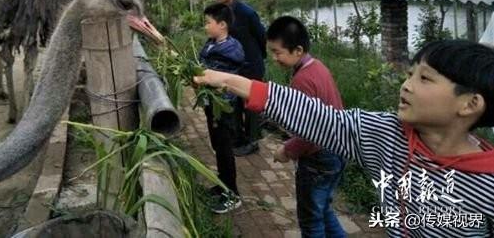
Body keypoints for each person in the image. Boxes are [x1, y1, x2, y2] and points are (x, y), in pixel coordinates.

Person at [194, 39, 494, 237]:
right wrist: (229, 81)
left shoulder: (487, 182)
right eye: (410, 75)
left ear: (469, 104)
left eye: (424, 78)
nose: (406, 86)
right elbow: (320, 119)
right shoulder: (388, 136)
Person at [265, 16, 346, 237]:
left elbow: (309, 132)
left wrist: (287, 150)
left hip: (318, 159)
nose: (274, 58)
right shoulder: (317, 67)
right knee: (323, 209)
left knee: (310, 220)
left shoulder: (302, 80)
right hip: (337, 151)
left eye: (277, 52)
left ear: (298, 50)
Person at [199, 2, 245, 213]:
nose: (205, 26)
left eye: (208, 23)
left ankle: (232, 194)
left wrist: (199, 74)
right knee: (218, 146)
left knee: (225, 149)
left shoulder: (230, 49)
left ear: (223, 25)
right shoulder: (211, 44)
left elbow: (207, 73)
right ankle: (222, 183)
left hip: (224, 108)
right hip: (212, 105)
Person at [214, 0, 266, 156]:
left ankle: (253, 141)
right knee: (234, 101)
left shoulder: (247, 13)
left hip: (251, 65)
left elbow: (262, 37)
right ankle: (238, 138)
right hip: (232, 66)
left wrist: (258, 59)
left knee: (252, 104)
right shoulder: (220, 14)